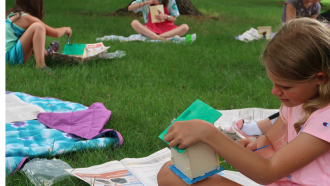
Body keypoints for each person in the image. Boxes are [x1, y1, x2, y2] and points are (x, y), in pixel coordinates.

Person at [157, 18, 330, 186]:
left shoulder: (326, 119)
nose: (275, 91)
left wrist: (210, 135)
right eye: (273, 83)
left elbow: (268, 173)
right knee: (168, 173)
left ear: (320, 78)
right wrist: (253, 148)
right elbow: (270, 141)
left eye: (285, 86)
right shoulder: (298, 100)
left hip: (274, 177)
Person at [5, 0, 72, 73]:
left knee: (32, 31)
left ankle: (47, 54)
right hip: (9, 59)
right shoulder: (25, 17)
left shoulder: (10, 14)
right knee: (38, 27)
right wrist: (65, 29)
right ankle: (41, 67)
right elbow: (56, 33)